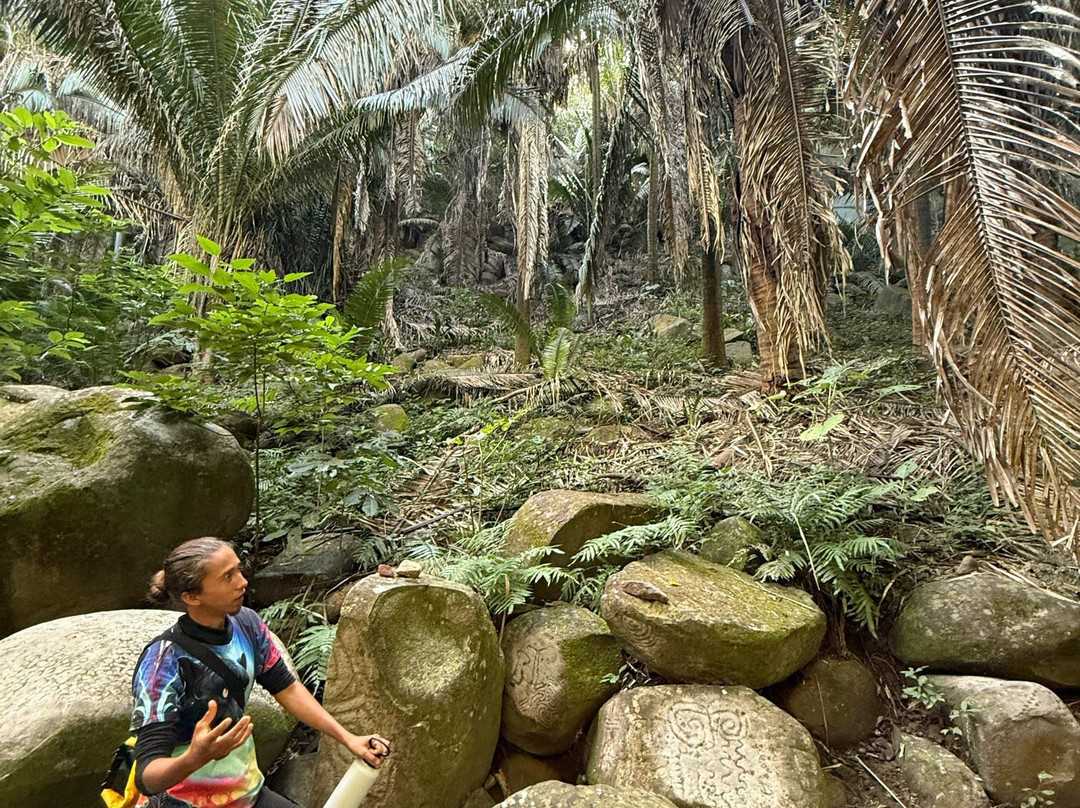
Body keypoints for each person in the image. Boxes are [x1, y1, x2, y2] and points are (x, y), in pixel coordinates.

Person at [131, 536, 388, 808]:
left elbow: (286, 687)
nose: (242, 582)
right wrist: (195, 757)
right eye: (227, 577)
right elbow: (147, 777)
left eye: (238, 570)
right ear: (192, 597)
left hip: (246, 794)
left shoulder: (247, 623)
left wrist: (348, 738)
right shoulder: (163, 662)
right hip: (184, 802)